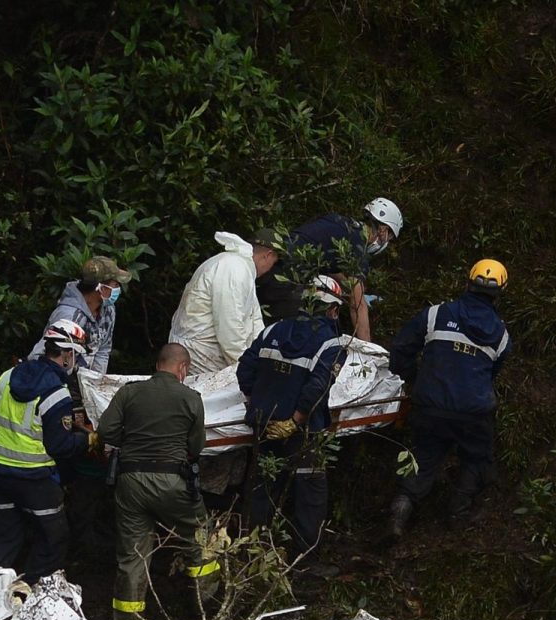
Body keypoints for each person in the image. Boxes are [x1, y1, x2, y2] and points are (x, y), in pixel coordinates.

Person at [96, 343, 220, 620]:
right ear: (183, 369)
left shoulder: (129, 392)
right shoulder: (191, 397)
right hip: (172, 481)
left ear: (157, 365)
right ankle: (205, 612)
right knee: (200, 538)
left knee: (133, 555)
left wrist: (135, 440)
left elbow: (106, 431)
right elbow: (196, 447)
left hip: (131, 483)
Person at [386, 259, 513, 537]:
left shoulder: (435, 314)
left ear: (467, 282)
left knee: (423, 456)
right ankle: (459, 515)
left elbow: (401, 348)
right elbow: (492, 373)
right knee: (477, 458)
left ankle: (401, 509)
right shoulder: (501, 336)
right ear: (499, 293)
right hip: (473, 412)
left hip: (429, 404)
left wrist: (415, 378)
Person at [237, 275, 352, 560]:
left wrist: (259, 406)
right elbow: (318, 387)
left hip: (264, 425)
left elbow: (245, 371)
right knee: (310, 491)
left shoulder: (272, 329)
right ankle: (304, 559)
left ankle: (252, 551)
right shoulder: (331, 343)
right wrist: (295, 419)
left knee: (263, 484)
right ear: (333, 310)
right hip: (302, 431)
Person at [0, 319, 94, 582]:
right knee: (54, 540)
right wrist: (88, 440)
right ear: (67, 354)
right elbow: (60, 446)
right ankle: (29, 595)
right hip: (33, 478)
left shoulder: (7, 377)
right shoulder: (57, 393)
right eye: (76, 355)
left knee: (5, 540)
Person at [263, 198, 403, 340]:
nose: (387, 241)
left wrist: (351, 289)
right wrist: (368, 351)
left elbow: (329, 265)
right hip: (285, 280)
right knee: (288, 338)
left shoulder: (339, 223)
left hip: (267, 263)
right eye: (390, 236)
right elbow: (358, 306)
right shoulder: (359, 246)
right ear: (383, 229)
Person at [168, 233, 278, 373]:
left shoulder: (240, 267)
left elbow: (253, 319)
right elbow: (229, 325)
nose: (269, 270)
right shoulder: (234, 268)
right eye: (273, 264)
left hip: (205, 351)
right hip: (200, 353)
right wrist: (246, 365)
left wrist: (261, 354)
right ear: (267, 255)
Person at [26, 256, 130, 373]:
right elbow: (39, 356)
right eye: (115, 285)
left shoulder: (108, 310)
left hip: (85, 381)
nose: (118, 289)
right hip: (59, 380)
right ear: (101, 288)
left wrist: (96, 382)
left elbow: (103, 349)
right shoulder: (68, 316)